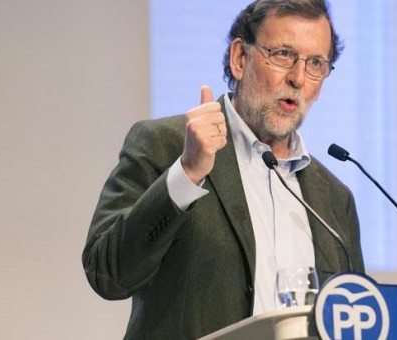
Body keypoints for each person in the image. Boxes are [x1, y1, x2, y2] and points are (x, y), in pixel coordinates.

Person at [82, 0, 364, 338]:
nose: (298, 78)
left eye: (316, 63)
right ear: (240, 59)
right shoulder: (166, 145)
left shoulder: (333, 199)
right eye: (284, 55)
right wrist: (186, 174)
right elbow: (107, 274)